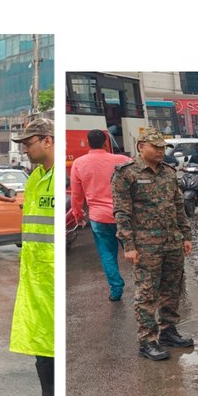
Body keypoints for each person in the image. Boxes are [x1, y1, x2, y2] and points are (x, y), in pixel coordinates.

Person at [111, 125, 194, 361]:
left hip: (172, 242)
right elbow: (122, 212)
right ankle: (147, 340)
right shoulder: (126, 173)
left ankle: (169, 331)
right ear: (141, 147)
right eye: (155, 147)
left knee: (172, 288)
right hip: (146, 245)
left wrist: (185, 236)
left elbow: (178, 207)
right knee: (147, 293)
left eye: (162, 147)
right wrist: (128, 245)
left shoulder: (168, 172)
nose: (160, 151)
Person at [9, 116, 56, 396]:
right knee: (41, 339)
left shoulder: (62, 175)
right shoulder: (35, 177)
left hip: (54, 274)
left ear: (48, 141)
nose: (25, 149)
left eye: (29, 142)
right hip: (36, 274)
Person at [68, 128, 131, 301]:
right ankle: (145, 285)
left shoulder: (80, 163)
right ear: (105, 142)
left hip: (99, 218)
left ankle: (116, 290)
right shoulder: (123, 160)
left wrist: (78, 215)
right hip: (125, 215)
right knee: (134, 250)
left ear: (88, 143)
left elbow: (76, 194)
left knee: (107, 254)